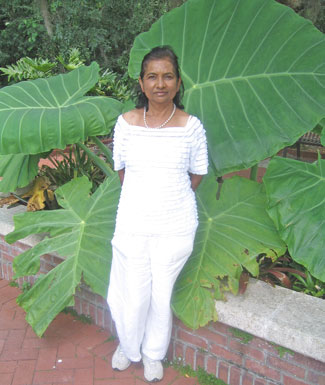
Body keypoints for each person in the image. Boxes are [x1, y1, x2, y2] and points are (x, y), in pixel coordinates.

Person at [107, 46, 208, 382]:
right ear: (141, 82)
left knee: (160, 295)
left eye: (167, 76)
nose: (160, 84)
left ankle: (152, 354)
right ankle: (127, 344)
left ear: (178, 83)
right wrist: (145, 198)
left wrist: (169, 198)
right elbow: (122, 171)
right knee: (132, 292)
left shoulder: (191, 127)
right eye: (153, 76)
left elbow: (197, 174)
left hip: (175, 225)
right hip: (133, 222)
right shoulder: (125, 124)